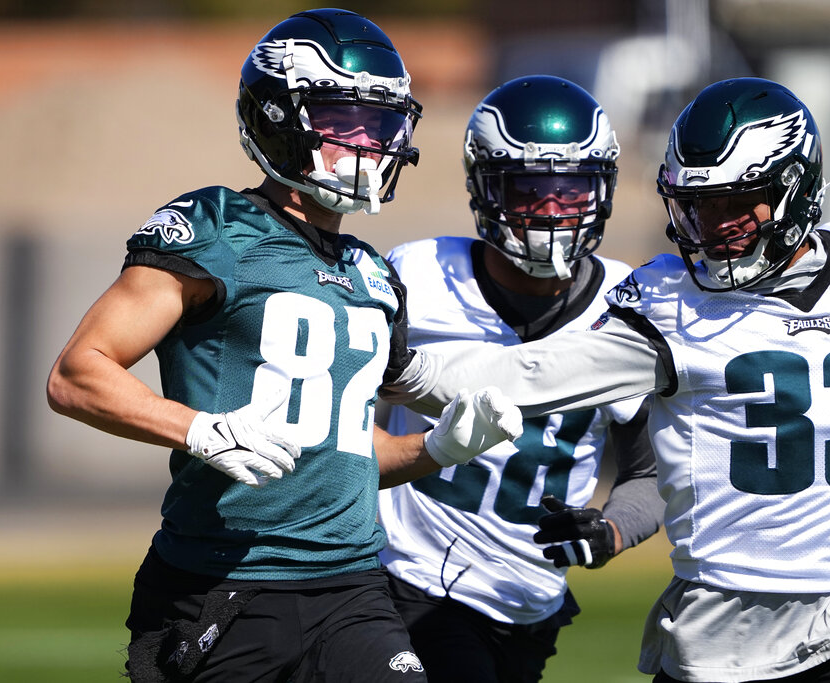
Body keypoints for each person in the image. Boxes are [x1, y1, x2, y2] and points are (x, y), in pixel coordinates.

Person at [383, 77, 830, 682]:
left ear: (792, 189)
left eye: (735, 201)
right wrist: (406, 369)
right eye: (700, 205)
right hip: (722, 630)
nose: (715, 224)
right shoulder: (668, 304)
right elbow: (530, 374)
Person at [45, 9, 521, 683]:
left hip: (353, 588)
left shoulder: (372, 273)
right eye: (346, 122)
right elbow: (77, 373)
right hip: (223, 582)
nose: (370, 145)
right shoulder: (215, 228)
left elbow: (347, 454)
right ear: (278, 118)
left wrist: (435, 449)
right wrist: (200, 429)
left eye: (381, 125)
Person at [375, 75, 666, 683]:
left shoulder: (631, 302)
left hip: (530, 596)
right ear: (487, 188)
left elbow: (650, 473)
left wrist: (610, 531)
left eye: (573, 191)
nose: (553, 210)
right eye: (531, 189)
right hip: (408, 577)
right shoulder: (418, 277)